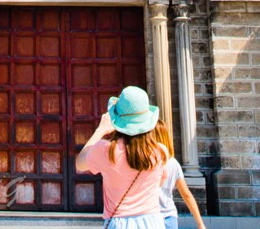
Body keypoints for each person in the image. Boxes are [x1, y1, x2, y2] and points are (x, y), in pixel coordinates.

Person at [75, 87, 207, 229]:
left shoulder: (106, 151)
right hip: (153, 222)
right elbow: (159, 182)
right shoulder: (160, 152)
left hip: (119, 223)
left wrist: (100, 130)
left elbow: (80, 163)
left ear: (117, 120)